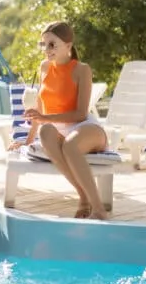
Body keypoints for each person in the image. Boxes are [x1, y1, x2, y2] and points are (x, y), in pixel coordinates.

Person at [9, 22, 109, 220]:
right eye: (43, 44)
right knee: (45, 132)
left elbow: (80, 113)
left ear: (68, 46)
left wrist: (46, 118)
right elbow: (40, 107)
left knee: (70, 145)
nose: (46, 50)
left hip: (85, 127)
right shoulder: (44, 68)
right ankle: (83, 197)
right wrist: (28, 142)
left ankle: (98, 209)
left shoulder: (82, 70)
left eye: (52, 45)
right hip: (59, 129)